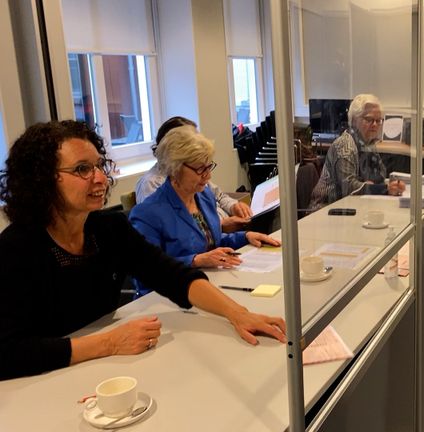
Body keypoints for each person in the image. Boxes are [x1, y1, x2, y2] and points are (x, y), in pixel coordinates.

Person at [0, 121, 286, 381]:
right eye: (82, 169)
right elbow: (8, 352)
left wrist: (238, 313)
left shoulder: (108, 228)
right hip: (42, 382)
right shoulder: (17, 249)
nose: (100, 178)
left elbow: (170, 274)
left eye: (100, 166)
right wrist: (109, 343)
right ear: (42, 180)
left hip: (100, 372)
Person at [129, 126, 279, 271]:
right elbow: (145, 268)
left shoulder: (204, 196)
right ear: (175, 168)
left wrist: (246, 236)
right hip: (172, 291)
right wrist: (195, 260)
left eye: (209, 167)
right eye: (200, 168)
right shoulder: (148, 213)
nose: (208, 175)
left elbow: (213, 242)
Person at [135, 116, 253, 233]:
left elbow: (219, 196)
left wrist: (233, 206)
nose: (208, 176)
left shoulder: (197, 173)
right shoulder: (151, 184)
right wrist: (219, 226)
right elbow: (170, 233)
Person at [308, 94, 405, 211]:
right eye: (369, 119)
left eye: (378, 120)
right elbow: (348, 187)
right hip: (325, 210)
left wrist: (390, 185)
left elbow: (379, 175)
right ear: (354, 120)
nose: (375, 125)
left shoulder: (368, 143)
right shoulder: (345, 145)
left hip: (351, 206)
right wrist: (383, 189)